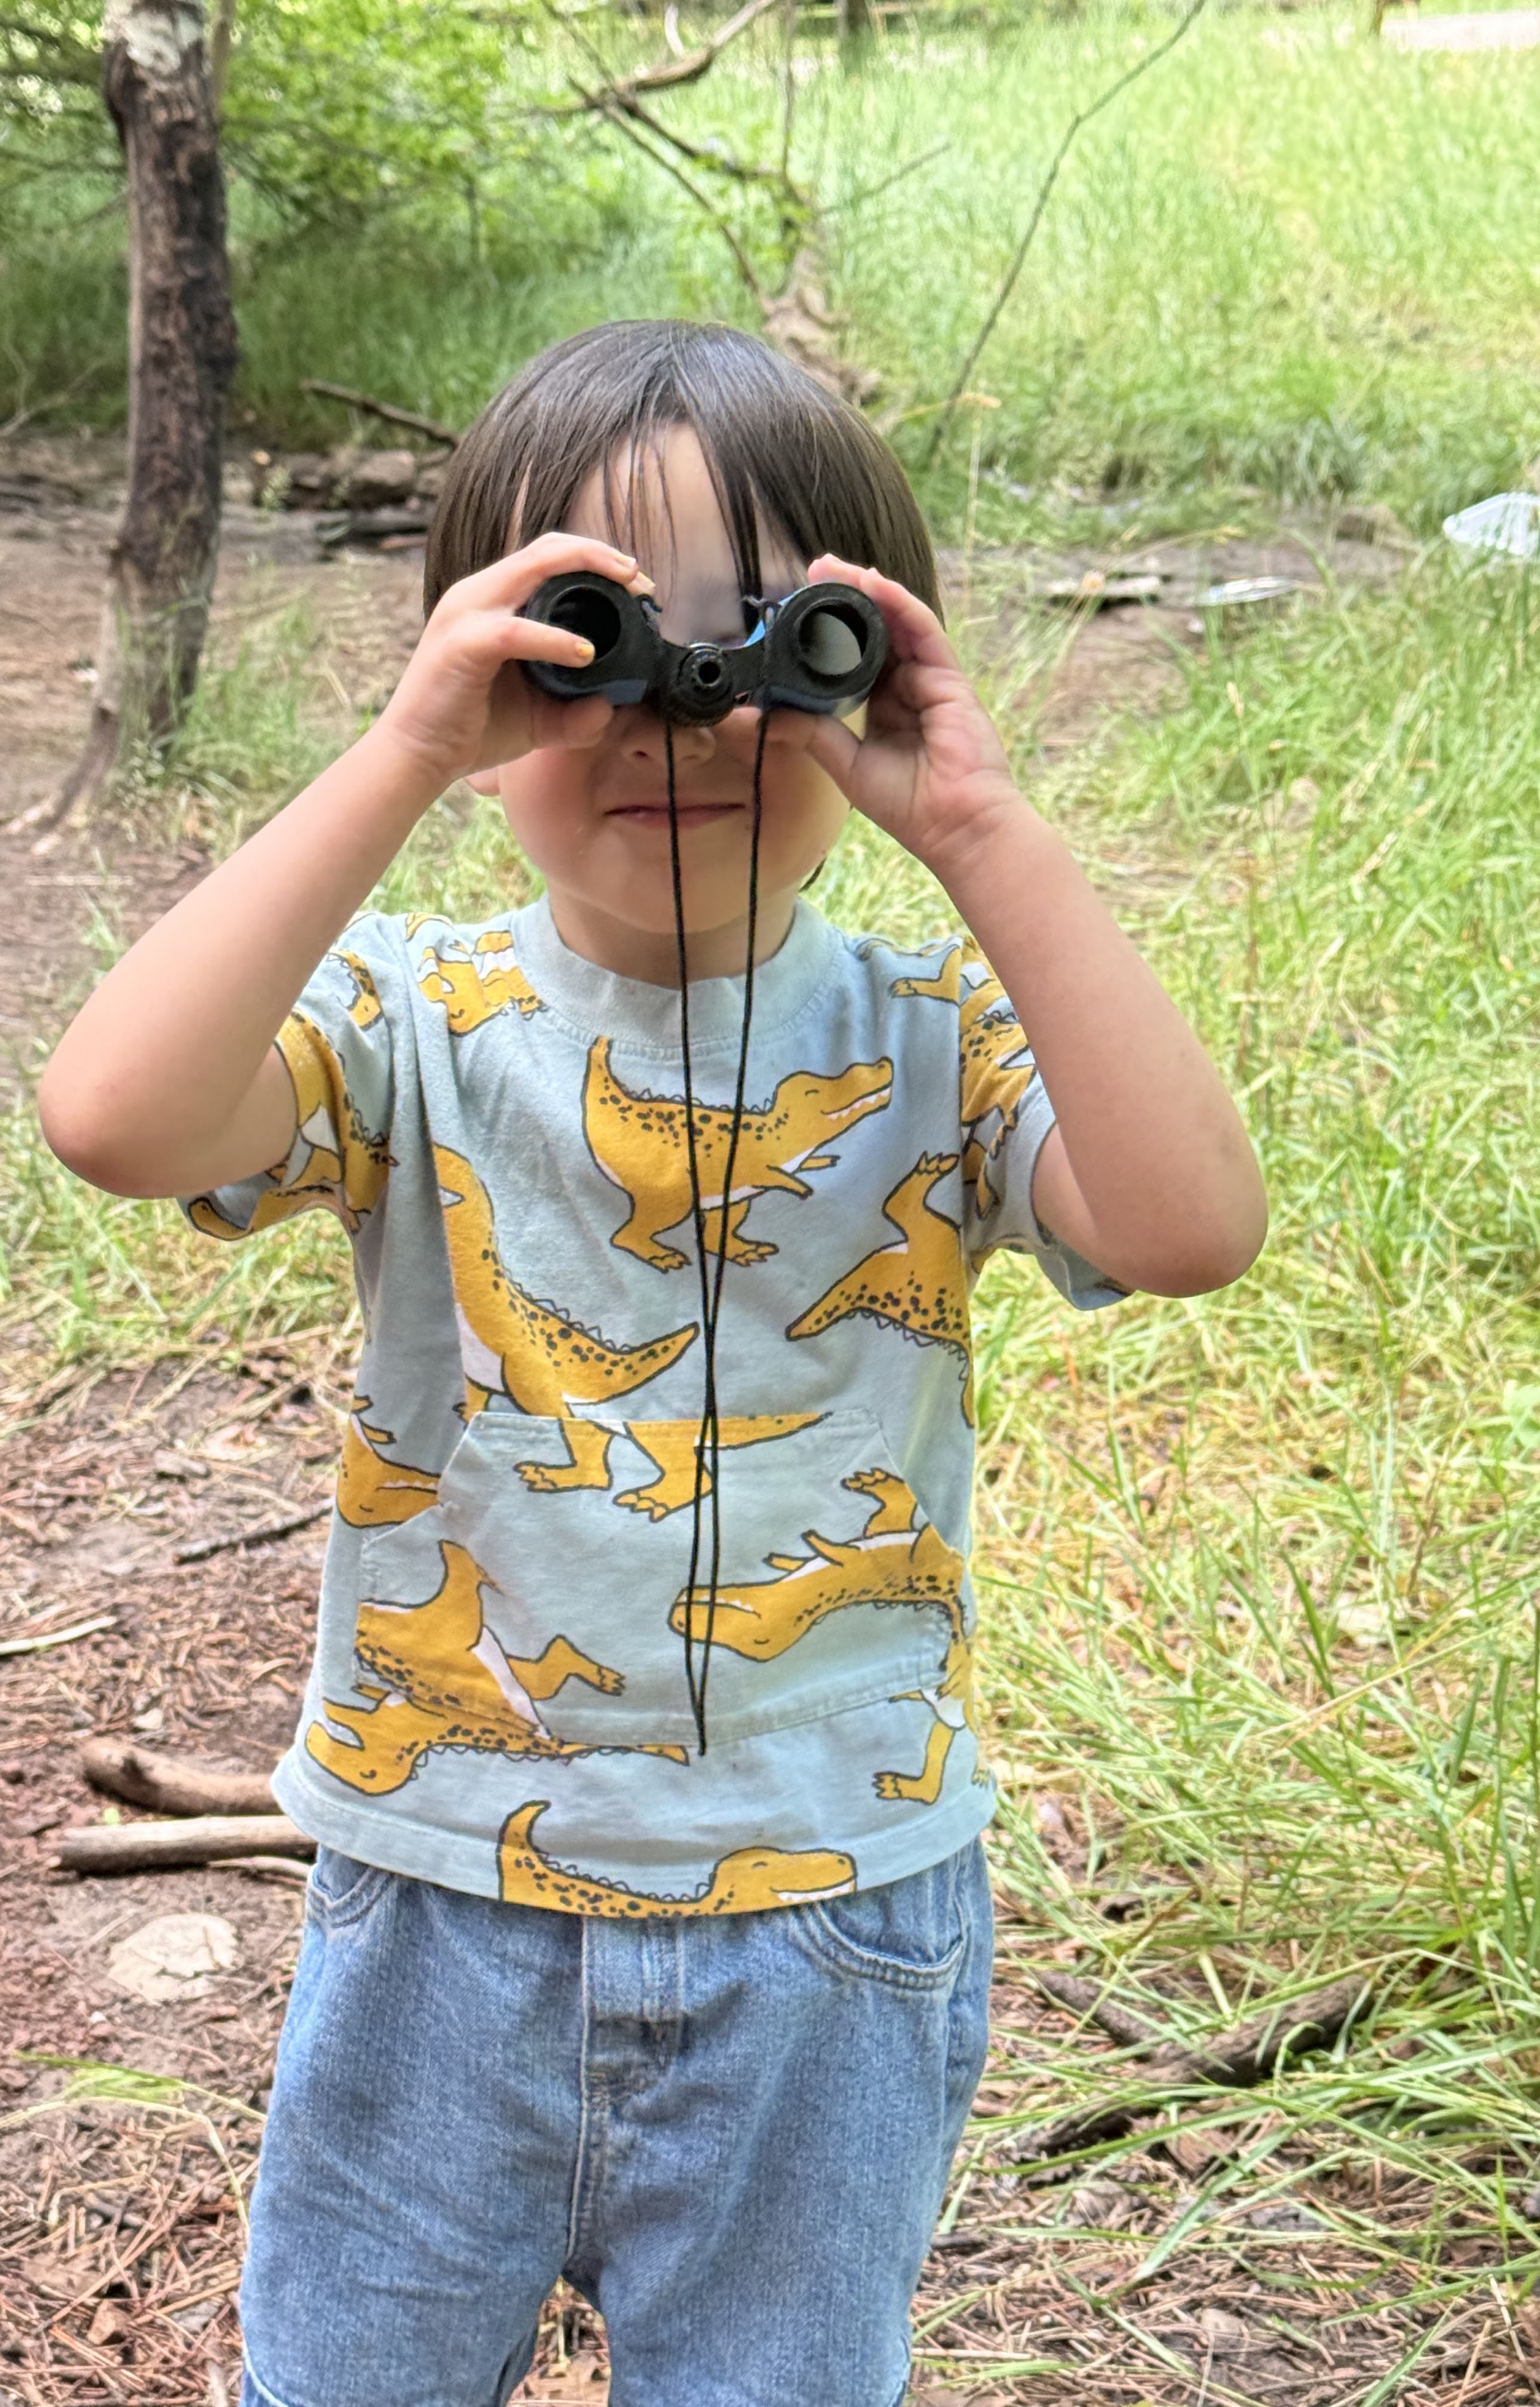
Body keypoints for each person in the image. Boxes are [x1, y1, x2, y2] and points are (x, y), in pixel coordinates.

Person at [38, 319, 1267, 2407]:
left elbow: (1188, 1224)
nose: (676, 713)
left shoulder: (932, 1034)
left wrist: (979, 830)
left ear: (865, 671)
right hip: (442, 1900)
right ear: (477, 665)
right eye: (583, 639)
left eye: (768, 647)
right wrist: (400, 757)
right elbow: (114, 1116)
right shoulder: (406, 1016)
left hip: (828, 1918)